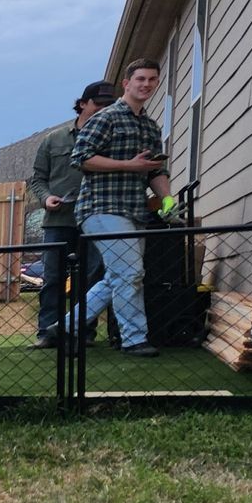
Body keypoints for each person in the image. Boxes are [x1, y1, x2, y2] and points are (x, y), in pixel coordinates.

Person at [67, 58, 172, 356]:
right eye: (140, 79)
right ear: (127, 83)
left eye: (152, 79)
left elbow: (154, 171)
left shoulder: (151, 127)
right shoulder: (106, 118)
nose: (146, 84)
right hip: (101, 208)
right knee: (130, 273)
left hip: (134, 210)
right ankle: (134, 339)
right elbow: (81, 158)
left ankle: (63, 328)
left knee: (119, 276)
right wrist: (129, 165)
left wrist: (167, 198)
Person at [27, 80, 118, 347]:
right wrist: (46, 198)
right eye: (98, 104)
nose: (103, 110)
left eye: (108, 105)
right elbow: (37, 179)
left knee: (91, 278)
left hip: (97, 219)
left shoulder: (111, 137)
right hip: (58, 220)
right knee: (53, 278)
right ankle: (47, 333)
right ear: (82, 104)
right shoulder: (53, 140)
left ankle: (81, 332)